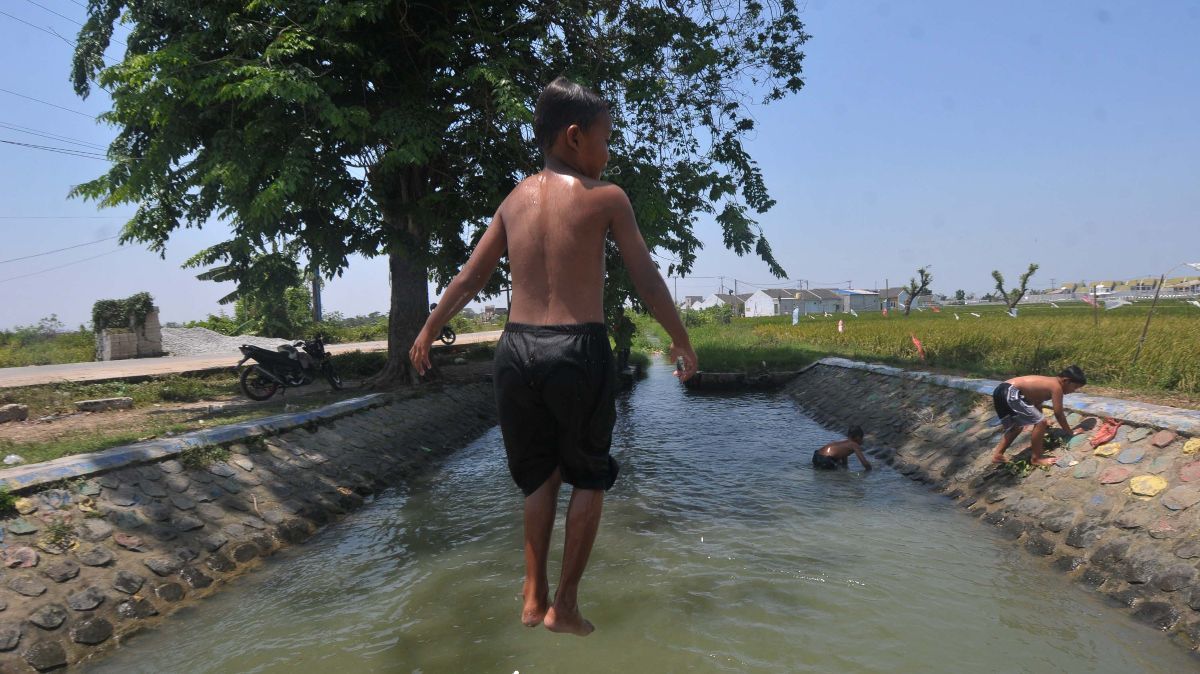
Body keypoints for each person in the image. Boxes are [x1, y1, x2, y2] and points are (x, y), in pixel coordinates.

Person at [409, 76, 697, 637]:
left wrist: (426, 332)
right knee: (588, 477)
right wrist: (681, 339)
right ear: (573, 137)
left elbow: (470, 279)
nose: (608, 152)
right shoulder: (606, 197)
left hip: (514, 354)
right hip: (576, 348)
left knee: (539, 478)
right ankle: (564, 604)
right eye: (605, 138)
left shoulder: (514, 199)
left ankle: (531, 595)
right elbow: (646, 279)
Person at [989, 365, 1087, 466]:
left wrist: (1042, 419)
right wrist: (1070, 432)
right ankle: (1037, 458)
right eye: (1075, 387)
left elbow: (1036, 403)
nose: (1074, 391)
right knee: (1041, 422)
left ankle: (998, 455)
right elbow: (1059, 413)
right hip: (1010, 391)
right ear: (1066, 381)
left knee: (1015, 428)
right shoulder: (1056, 387)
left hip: (1001, 390)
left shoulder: (1047, 382)